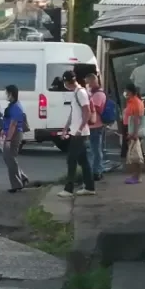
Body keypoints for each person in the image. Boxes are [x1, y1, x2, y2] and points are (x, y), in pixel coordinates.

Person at [58, 70, 96, 198]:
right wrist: (66, 128)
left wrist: (80, 129)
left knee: (71, 160)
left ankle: (69, 189)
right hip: (76, 132)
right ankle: (90, 187)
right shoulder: (76, 93)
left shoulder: (81, 93)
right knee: (83, 161)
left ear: (68, 82)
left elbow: (87, 112)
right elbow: (73, 113)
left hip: (80, 133)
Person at [2, 85, 29, 193]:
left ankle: (17, 184)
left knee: (10, 158)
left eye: (7, 93)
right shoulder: (13, 105)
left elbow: (13, 124)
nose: (6, 95)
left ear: (11, 94)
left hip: (14, 135)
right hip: (11, 133)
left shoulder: (16, 107)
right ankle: (22, 177)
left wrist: (8, 139)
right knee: (9, 158)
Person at [84, 73, 107, 181]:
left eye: (88, 83)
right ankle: (97, 170)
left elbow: (95, 109)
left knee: (96, 150)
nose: (87, 85)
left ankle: (97, 171)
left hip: (96, 125)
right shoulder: (94, 93)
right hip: (93, 125)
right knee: (95, 149)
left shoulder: (98, 94)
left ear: (93, 82)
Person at [123, 83, 145, 184]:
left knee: (135, 155)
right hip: (131, 129)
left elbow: (136, 119)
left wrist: (134, 133)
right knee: (134, 154)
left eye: (126, 91)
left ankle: (136, 176)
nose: (125, 93)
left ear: (130, 91)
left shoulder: (135, 102)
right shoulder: (132, 101)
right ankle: (136, 175)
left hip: (133, 130)